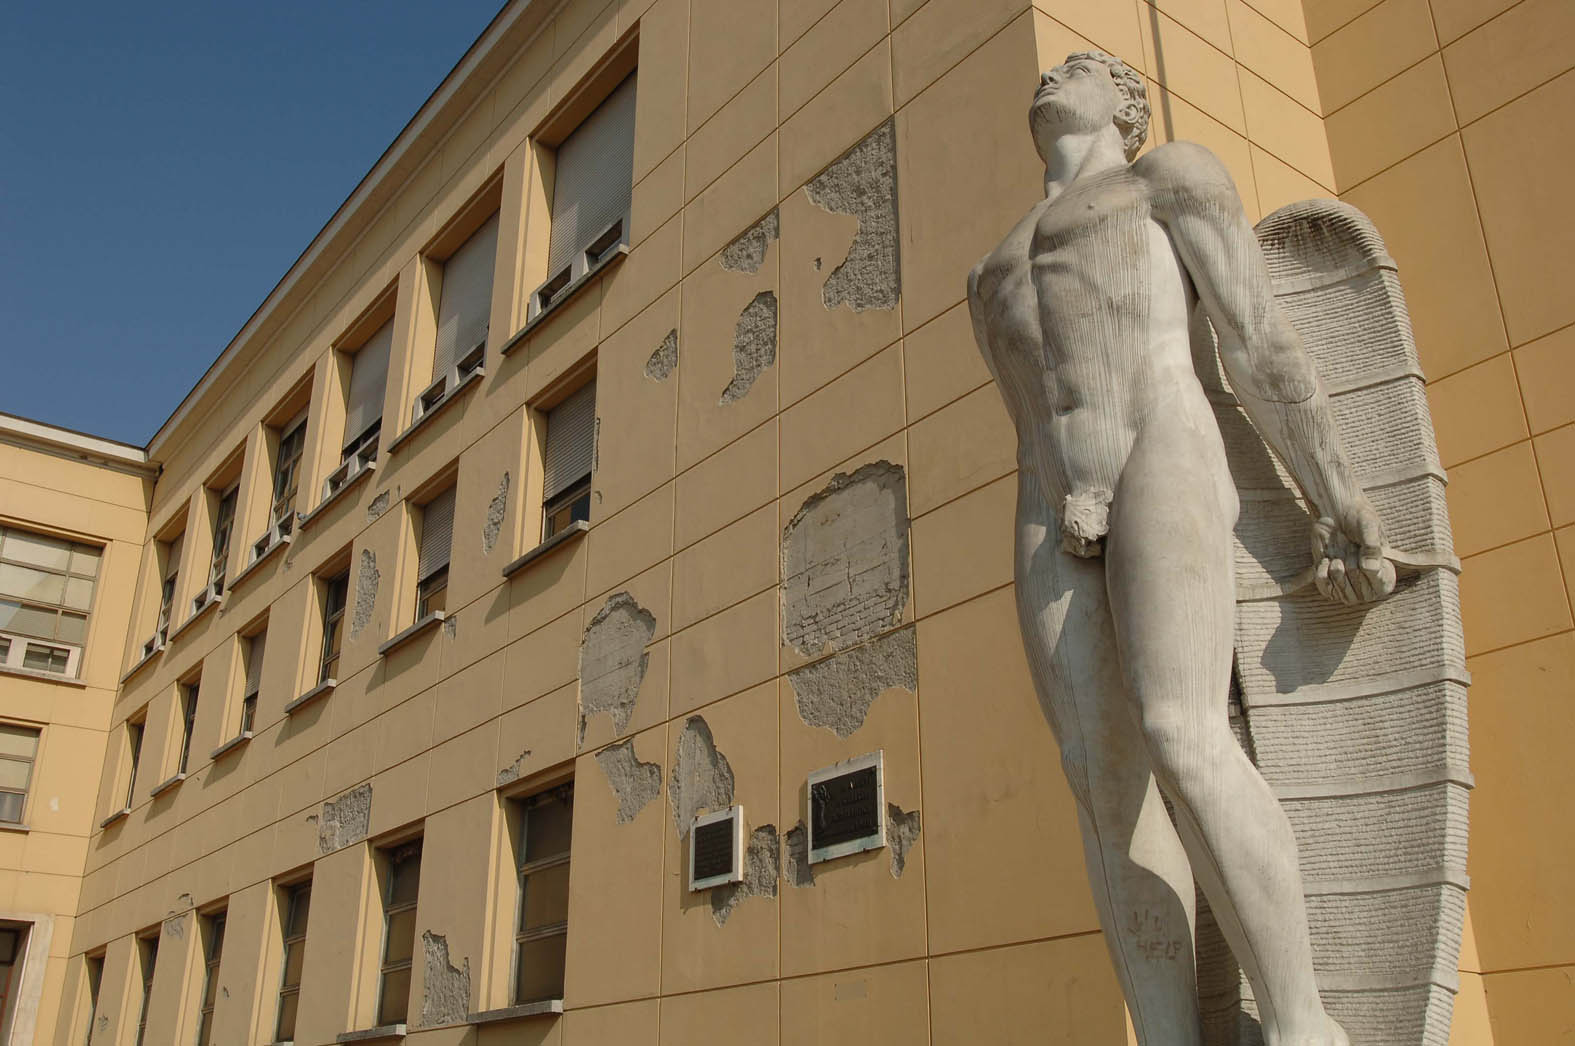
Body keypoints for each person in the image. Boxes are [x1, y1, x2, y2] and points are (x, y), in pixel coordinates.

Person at [966, 50, 1394, 1045]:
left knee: (1180, 729)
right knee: (1100, 774)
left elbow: (1256, 340)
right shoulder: (986, 273)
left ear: (1127, 104)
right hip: (1047, 494)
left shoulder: (1168, 175)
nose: (1050, 76)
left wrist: (1338, 497)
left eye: (1079, 66)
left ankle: (1302, 1024)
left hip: (1159, 438)